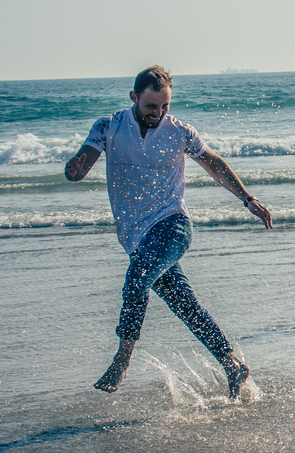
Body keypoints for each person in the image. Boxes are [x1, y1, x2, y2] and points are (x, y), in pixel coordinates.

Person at [65, 65, 272, 401]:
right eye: (151, 106)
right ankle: (233, 364)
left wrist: (248, 199)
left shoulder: (180, 132)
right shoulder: (110, 126)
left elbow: (214, 163)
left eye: (165, 106)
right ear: (134, 98)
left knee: (137, 279)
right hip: (136, 236)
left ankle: (122, 359)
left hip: (173, 225)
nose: (158, 113)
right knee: (185, 305)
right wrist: (74, 169)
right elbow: (82, 164)